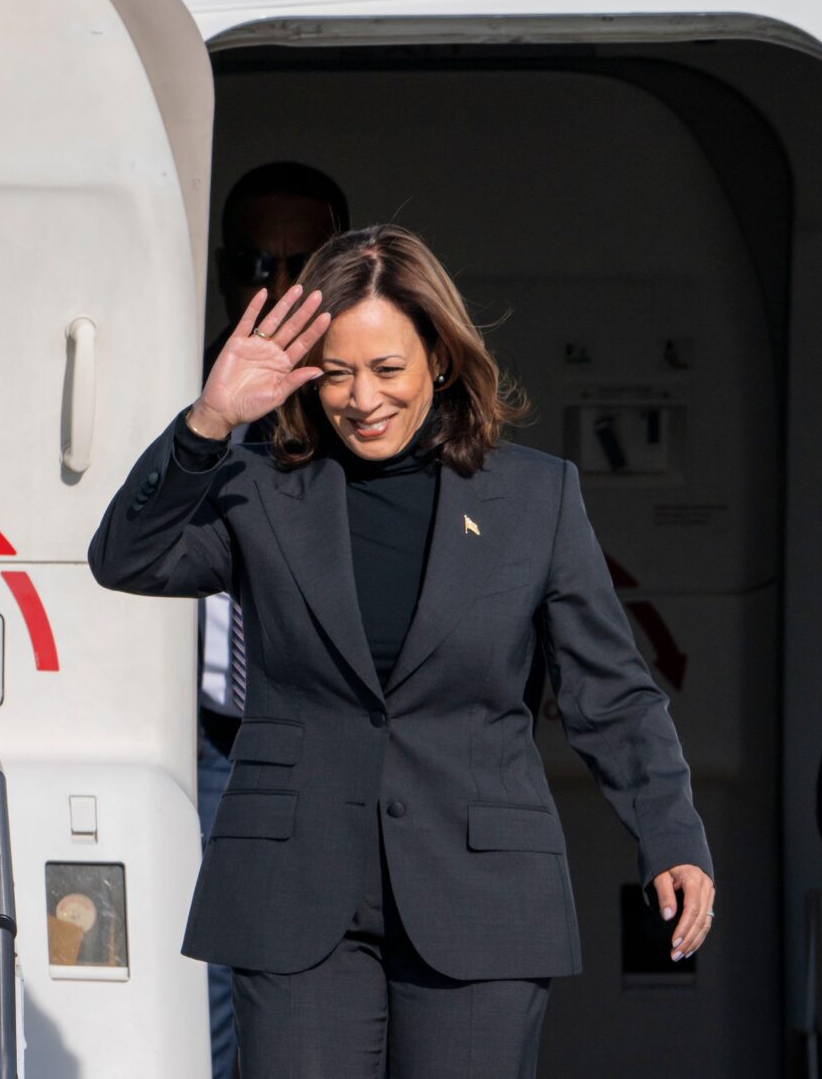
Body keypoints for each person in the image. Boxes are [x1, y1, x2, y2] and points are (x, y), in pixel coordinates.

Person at [88, 224, 717, 1076]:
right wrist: (208, 422)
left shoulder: (536, 497)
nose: (362, 399)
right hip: (296, 891)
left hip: (481, 893)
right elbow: (126, 557)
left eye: (387, 370)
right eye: (338, 373)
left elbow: (611, 693)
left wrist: (669, 831)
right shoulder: (259, 485)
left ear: (440, 360)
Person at [197, 162, 349, 1079]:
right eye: (260, 263)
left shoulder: (364, 398)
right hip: (207, 743)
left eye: (304, 264)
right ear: (224, 272)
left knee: (320, 983)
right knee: (216, 988)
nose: (281, 288)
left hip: (326, 733)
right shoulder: (184, 396)